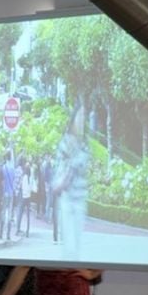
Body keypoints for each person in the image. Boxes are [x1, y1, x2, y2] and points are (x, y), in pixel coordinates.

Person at [54, 104, 89, 259]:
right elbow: (60, 169)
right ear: (73, 119)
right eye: (79, 116)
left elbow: (84, 169)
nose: (82, 120)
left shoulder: (85, 145)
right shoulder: (65, 142)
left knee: (77, 247)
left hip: (80, 199)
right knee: (69, 248)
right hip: (67, 201)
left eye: (84, 117)